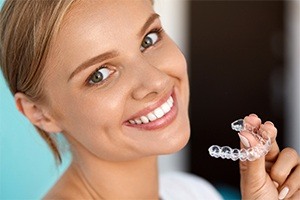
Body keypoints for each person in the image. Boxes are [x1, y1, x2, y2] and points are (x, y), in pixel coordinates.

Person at [0, 0, 299, 199]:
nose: (156, 80)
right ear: (39, 113)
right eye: (100, 74)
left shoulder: (191, 192)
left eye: (149, 39)